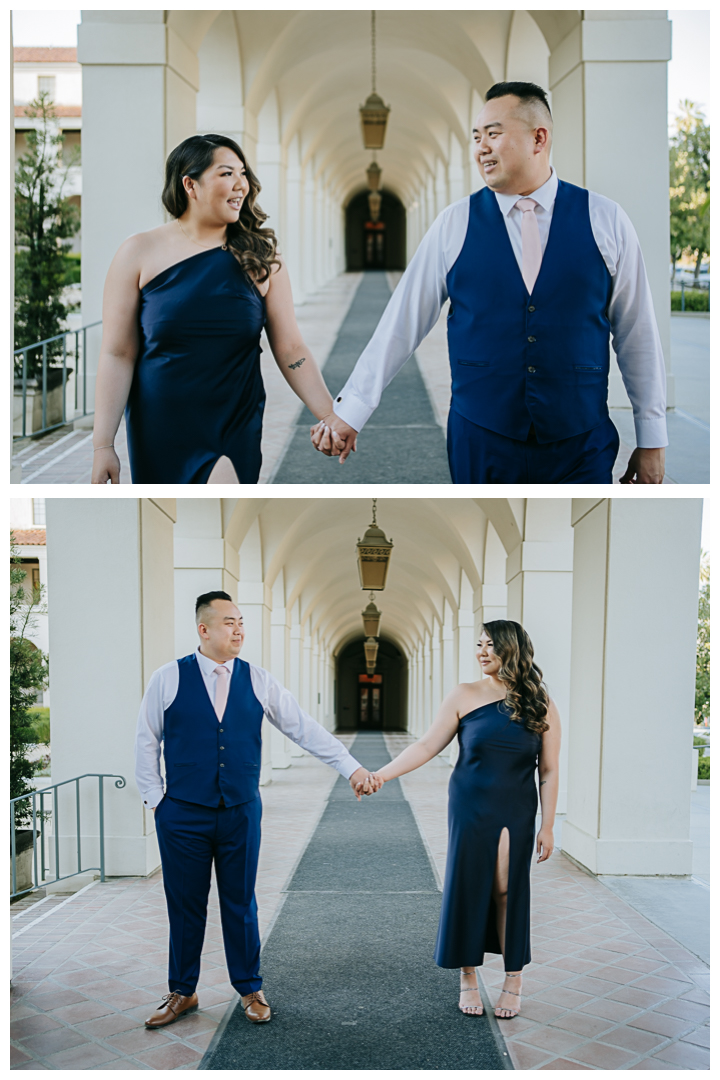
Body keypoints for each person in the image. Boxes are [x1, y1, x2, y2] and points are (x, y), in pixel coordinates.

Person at [311, 81, 667, 485]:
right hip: (481, 440)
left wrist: (652, 439)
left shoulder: (606, 219)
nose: (481, 147)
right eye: (477, 137)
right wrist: (351, 410)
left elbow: (638, 334)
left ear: (539, 138)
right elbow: (401, 323)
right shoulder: (454, 222)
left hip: (581, 444)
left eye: (493, 134)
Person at [134, 591, 379, 1028]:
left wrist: (351, 766)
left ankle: (250, 987)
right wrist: (157, 803)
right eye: (229, 622)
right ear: (203, 629)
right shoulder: (168, 678)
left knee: (240, 902)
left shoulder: (259, 680)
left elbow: (303, 728)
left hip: (240, 811)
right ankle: (182, 991)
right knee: (185, 904)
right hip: (182, 814)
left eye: (241, 621)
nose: (239, 629)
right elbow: (146, 740)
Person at [91, 134, 344, 484]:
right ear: (190, 184)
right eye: (226, 174)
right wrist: (102, 444)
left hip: (234, 421)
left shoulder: (263, 258)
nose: (241, 184)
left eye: (242, 173)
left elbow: (290, 348)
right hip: (159, 425)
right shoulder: (138, 253)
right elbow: (118, 353)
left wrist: (329, 414)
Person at [367, 620, 560, 1018]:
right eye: (479, 644)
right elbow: (425, 745)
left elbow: (549, 770)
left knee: (507, 888)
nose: (482, 651)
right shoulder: (464, 694)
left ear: (513, 648)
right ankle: (468, 977)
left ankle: (513, 979)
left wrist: (548, 825)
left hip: (517, 807)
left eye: (491, 645)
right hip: (470, 804)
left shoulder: (540, 701)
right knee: (470, 886)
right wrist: (382, 775)